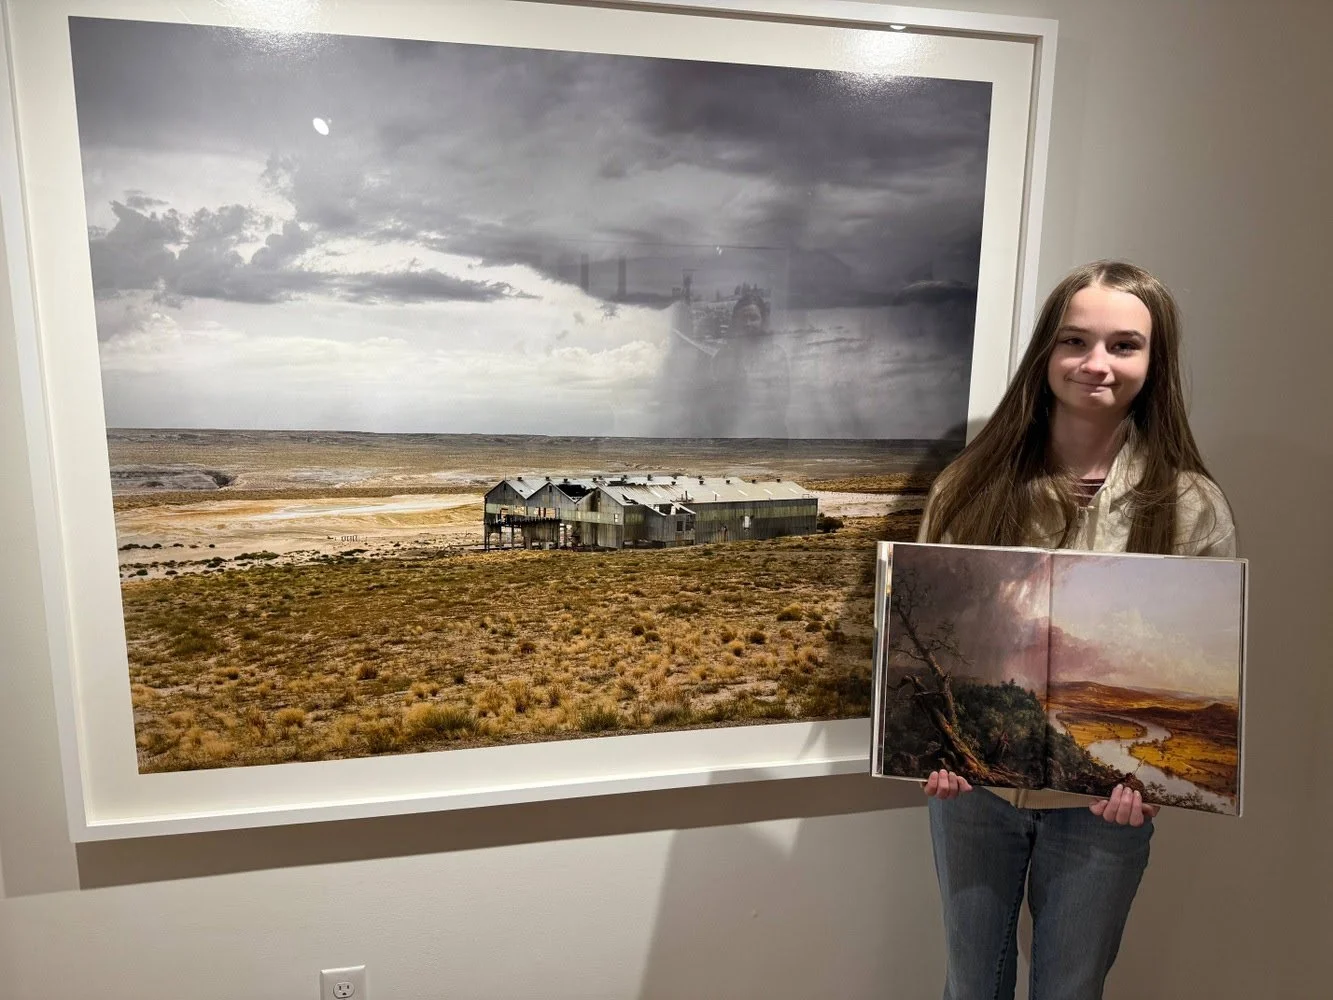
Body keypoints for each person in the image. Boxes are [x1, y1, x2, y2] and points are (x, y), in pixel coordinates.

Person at [915, 260, 1236, 999]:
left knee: (1071, 987)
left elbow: (1202, 670)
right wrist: (934, 748)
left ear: (1154, 363)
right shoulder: (967, 488)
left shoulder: (1191, 507)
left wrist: (1152, 782)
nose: (1096, 364)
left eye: (1124, 345)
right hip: (972, 793)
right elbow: (930, 632)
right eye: (1075, 341)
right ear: (1046, 353)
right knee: (970, 984)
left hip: (1103, 809)